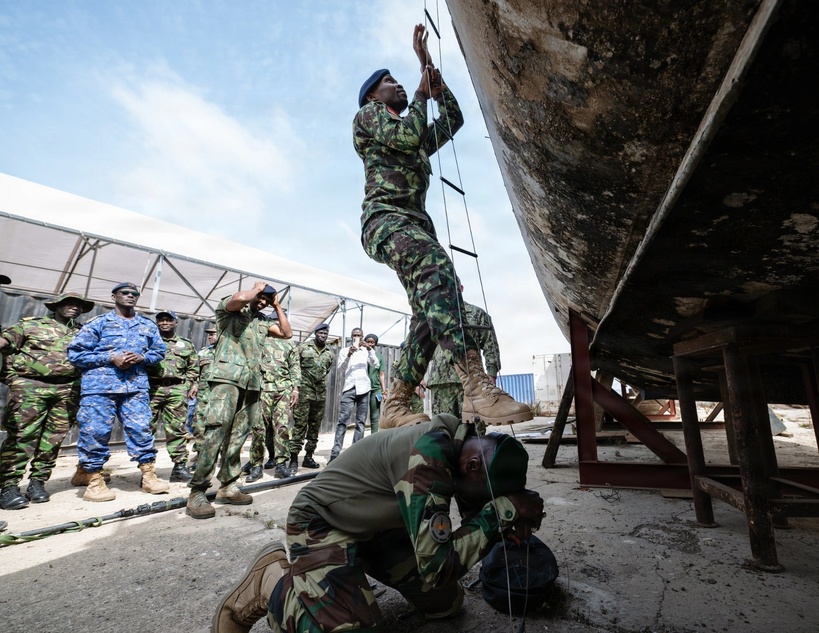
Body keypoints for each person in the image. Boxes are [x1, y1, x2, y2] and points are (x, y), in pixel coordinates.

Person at [210, 416, 545, 632]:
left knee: (446, 603)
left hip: (377, 529)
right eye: (488, 495)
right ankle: (269, 582)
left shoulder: (460, 449)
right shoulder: (428, 460)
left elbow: (467, 525)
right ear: (472, 466)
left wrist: (507, 516)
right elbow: (437, 567)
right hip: (323, 522)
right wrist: (500, 512)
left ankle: (352, 570)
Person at [353, 25, 531, 429]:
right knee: (437, 267)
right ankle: (475, 383)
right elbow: (411, 130)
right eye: (388, 82)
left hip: (412, 224)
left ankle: (395, 403)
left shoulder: (409, 131)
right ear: (372, 96)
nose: (397, 84)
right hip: (384, 221)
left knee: (427, 315)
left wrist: (433, 75)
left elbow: (453, 120)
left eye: (399, 80)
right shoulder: (368, 118)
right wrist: (418, 93)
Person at [186, 281, 291, 520]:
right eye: (260, 297)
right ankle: (198, 491)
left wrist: (276, 307)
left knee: (239, 435)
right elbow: (239, 299)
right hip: (226, 379)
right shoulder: (228, 312)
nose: (262, 301)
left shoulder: (263, 322)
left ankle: (228, 486)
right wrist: (256, 289)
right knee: (216, 431)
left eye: (267, 299)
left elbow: (287, 333)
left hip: (252, 383)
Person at [67, 282, 170, 502]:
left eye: (134, 294)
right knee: (95, 432)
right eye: (125, 293)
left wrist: (143, 357)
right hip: (99, 388)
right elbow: (75, 354)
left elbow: (159, 351)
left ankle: (149, 476)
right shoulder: (99, 323)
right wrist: (109, 358)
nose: (130, 296)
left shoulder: (147, 325)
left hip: (134, 387)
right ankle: (93, 480)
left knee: (141, 428)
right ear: (114, 296)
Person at [0, 292, 94, 509]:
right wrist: (13, 379)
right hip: (31, 388)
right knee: (21, 437)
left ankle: (38, 482)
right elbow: (4, 346)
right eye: (69, 303)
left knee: (53, 439)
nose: (74, 307)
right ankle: (8, 486)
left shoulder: (82, 332)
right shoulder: (30, 325)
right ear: (56, 306)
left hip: (67, 390)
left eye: (78, 305)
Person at [427, 281, 501, 424]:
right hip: (440, 381)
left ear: (461, 288)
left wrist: (491, 374)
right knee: (442, 429)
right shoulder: (433, 316)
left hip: (472, 381)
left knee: (474, 429)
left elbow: (490, 344)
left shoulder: (477, 314)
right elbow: (424, 350)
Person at [147, 310, 199, 483]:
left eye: (168, 320)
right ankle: (147, 471)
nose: (164, 323)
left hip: (177, 389)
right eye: (160, 320)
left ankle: (179, 468)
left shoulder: (185, 344)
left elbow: (193, 367)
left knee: (177, 429)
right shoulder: (148, 341)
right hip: (151, 389)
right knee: (146, 429)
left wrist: (190, 384)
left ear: (176, 322)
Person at [246, 325, 300, 482]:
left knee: (282, 428)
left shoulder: (289, 344)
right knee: (258, 429)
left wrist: (295, 389)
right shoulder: (259, 341)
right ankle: (256, 466)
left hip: (283, 391)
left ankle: (281, 465)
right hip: (262, 390)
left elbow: (295, 367)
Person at [328, 327, 379, 462]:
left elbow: (376, 363)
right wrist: (349, 355)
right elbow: (340, 369)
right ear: (351, 337)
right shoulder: (345, 351)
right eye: (354, 335)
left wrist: (369, 349)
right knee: (342, 421)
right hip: (349, 388)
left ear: (362, 337)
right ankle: (335, 453)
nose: (357, 337)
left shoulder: (366, 351)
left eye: (359, 335)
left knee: (361, 422)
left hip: (364, 388)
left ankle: (355, 453)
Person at [288, 323, 334, 470]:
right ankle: (293, 458)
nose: (323, 336)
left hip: (320, 394)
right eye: (321, 333)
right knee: (300, 425)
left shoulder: (329, 352)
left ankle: (308, 457)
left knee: (315, 427)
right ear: (315, 333)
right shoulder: (303, 348)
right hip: (303, 393)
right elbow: (294, 367)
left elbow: (326, 370)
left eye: (325, 334)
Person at [188, 325, 217, 469]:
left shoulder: (230, 353)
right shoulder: (203, 353)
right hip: (204, 395)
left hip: (221, 397)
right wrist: (194, 385)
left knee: (219, 427)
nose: (210, 336)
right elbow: (195, 372)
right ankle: (201, 454)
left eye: (213, 334)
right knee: (199, 425)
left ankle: (218, 454)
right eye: (209, 334)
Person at [364, 333, 386, 433]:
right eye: (368, 342)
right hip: (363, 388)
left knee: (374, 415)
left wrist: (384, 391)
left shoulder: (379, 357)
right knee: (361, 415)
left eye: (372, 342)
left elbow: (382, 375)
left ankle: (374, 436)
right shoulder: (361, 355)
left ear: (375, 344)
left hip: (376, 388)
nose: (370, 344)